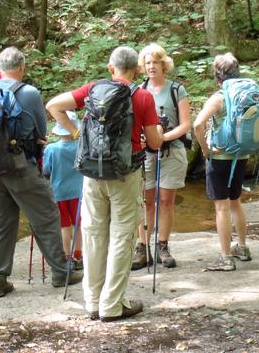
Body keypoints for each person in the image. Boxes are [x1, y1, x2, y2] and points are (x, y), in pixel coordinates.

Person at [46, 46, 164, 322]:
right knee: (122, 236)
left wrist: (78, 134)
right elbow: (155, 143)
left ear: (110, 68)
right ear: (136, 71)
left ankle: (92, 302)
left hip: (92, 174)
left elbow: (53, 105)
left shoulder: (92, 90)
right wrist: (156, 130)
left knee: (94, 235)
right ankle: (112, 305)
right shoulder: (143, 96)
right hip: (125, 174)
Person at [0, 46, 82, 298]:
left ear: (0, 67)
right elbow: (39, 131)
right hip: (21, 167)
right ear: (22, 67)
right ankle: (61, 272)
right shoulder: (28, 92)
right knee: (46, 215)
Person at [131, 43, 191, 270]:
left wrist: (163, 138)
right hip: (144, 154)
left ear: (163, 64)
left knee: (166, 201)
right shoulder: (137, 91)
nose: (151, 67)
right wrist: (144, 138)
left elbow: (185, 124)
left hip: (171, 151)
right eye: (147, 63)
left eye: (155, 62)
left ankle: (162, 246)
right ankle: (142, 246)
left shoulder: (177, 90)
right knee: (144, 201)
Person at [193, 52, 251, 272]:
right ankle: (243, 248)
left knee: (221, 207)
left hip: (220, 157)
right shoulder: (244, 94)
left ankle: (226, 258)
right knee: (235, 201)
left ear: (217, 75)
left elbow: (198, 125)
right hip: (241, 154)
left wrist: (206, 151)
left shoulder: (219, 97)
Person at [43, 111, 83, 270]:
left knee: (64, 225)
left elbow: (46, 170)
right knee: (79, 224)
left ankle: (67, 257)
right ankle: (79, 256)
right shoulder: (80, 146)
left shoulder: (51, 149)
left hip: (59, 192)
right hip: (79, 192)